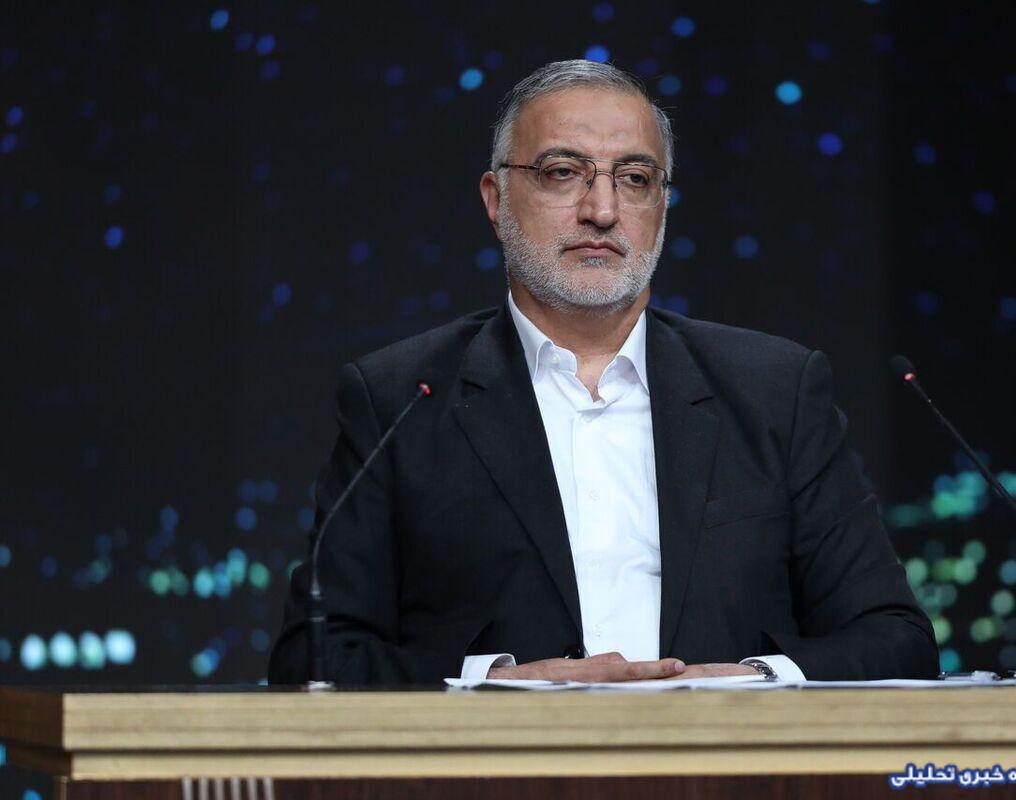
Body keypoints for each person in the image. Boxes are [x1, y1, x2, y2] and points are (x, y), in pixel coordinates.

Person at [268, 60, 937, 686]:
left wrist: (746, 682)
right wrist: (495, 687)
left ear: (662, 207)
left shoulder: (774, 390)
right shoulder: (400, 399)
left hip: (721, 757)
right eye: (563, 173)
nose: (602, 210)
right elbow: (313, 659)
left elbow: (897, 640)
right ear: (496, 199)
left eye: (635, 179)